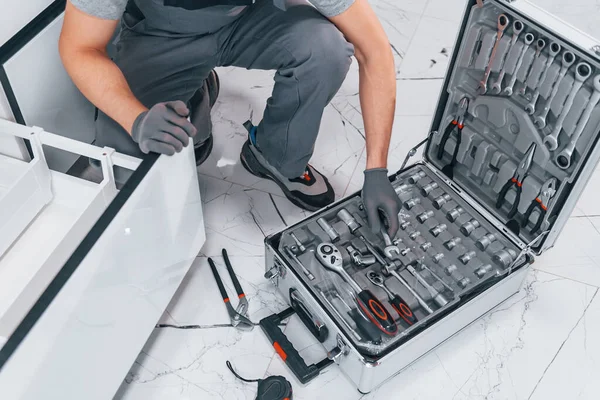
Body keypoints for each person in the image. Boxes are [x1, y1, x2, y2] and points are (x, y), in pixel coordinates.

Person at [59, 0, 402, 237]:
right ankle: (193, 91)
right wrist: (135, 118)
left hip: (245, 21)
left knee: (325, 49)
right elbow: (79, 47)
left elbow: (373, 50)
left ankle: (274, 156)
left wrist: (376, 170)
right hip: (161, 35)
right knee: (124, 158)